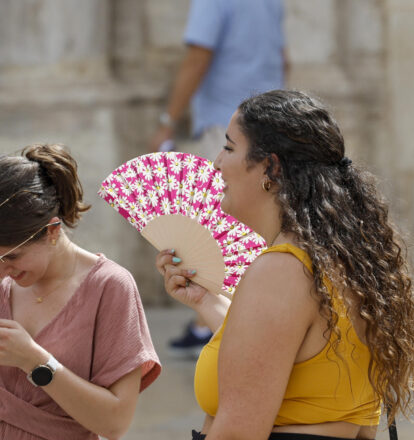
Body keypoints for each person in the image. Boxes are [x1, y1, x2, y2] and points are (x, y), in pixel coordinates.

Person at [156, 90, 414, 439]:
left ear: (271, 167)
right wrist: (207, 300)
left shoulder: (281, 270)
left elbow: (239, 433)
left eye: (230, 147)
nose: (217, 162)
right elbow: (290, 356)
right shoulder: (343, 259)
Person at [0, 143, 161, 440]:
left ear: (52, 231)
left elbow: (115, 423)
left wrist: (35, 361)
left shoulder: (110, 286)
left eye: (11, 257)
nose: (0, 271)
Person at [149, 0, 288, 356]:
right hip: (271, 122)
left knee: (224, 224)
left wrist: (168, 120)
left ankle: (209, 324)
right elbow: (283, 57)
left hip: (229, 122)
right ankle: (232, 320)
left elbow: (198, 57)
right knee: (262, 224)